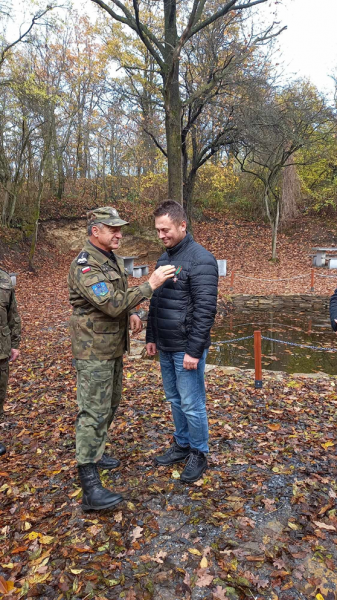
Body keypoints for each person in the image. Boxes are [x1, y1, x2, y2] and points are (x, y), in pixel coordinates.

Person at [68, 207, 175, 511]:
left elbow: (114, 302)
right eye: (111, 229)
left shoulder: (108, 258)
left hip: (111, 347)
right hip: (93, 351)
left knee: (110, 403)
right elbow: (111, 303)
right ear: (95, 231)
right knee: (93, 411)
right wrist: (149, 285)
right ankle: (89, 486)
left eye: (120, 229)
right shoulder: (86, 265)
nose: (119, 234)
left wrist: (132, 313)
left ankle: (97, 453)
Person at [146, 200, 218, 483]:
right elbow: (157, 301)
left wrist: (194, 350)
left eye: (166, 229)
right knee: (174, 399)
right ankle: (182, 443)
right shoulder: (164, 259)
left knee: (192, 402)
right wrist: (151, 337)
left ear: (182, 225)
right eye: (158, 230)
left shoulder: (202, 260)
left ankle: (199, 452)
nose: (161, 235)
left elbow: (205, 310)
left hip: (186, 348)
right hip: (165, 344)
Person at [0, 268, 21, 457]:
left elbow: (12, 314)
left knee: (0, 394)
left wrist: (14, 344)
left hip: (1, 349)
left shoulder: (4, 279)